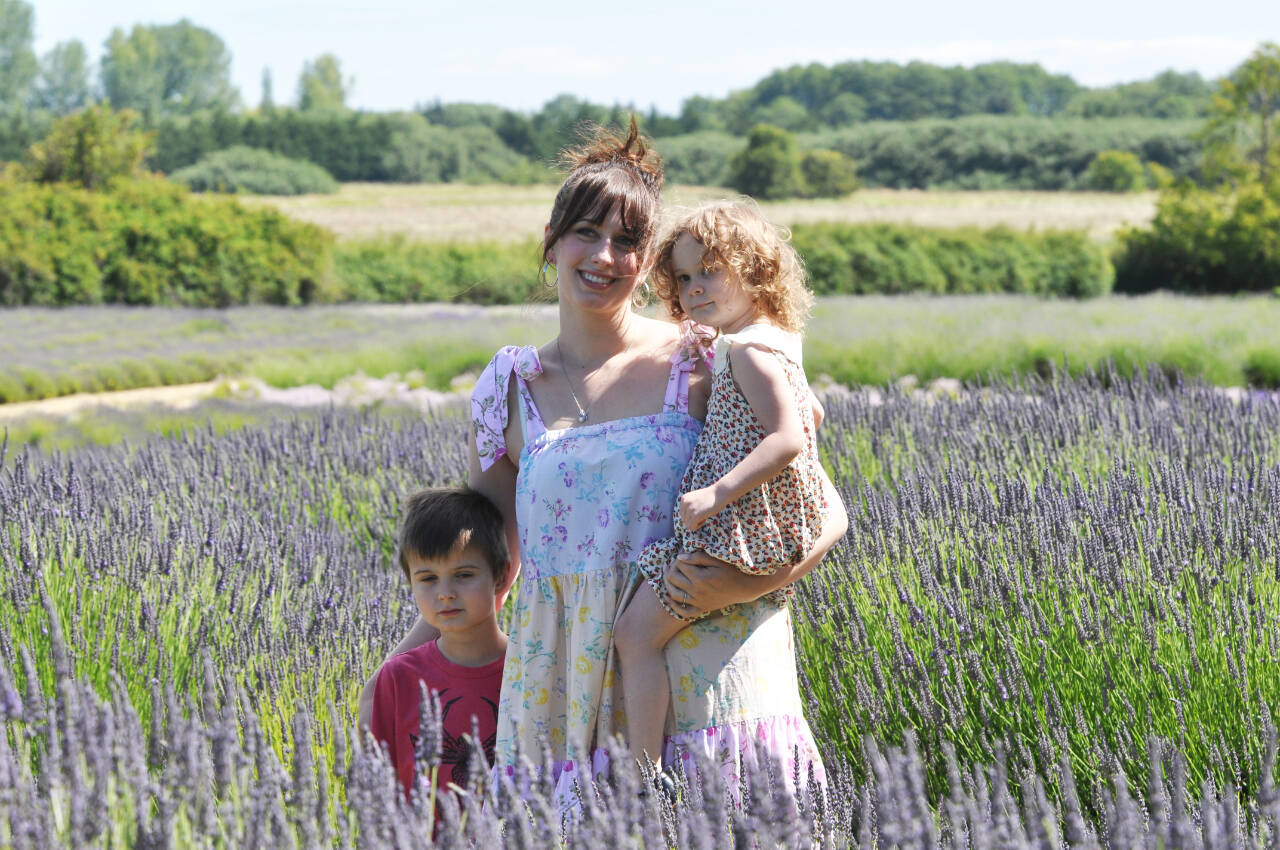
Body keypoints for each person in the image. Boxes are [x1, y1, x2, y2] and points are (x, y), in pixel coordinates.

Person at [365, 119, 848, 807]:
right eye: (586, 233)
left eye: (627, 241)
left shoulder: (708, 359)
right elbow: (484, 565)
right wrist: (400, 667)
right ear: (553, 243)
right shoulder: (509, 387)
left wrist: (731, 587)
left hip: (705, 665)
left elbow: (826, 512)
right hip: (565, 693)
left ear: (649, 260)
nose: (604, 256)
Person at [613, 201, 824, 768]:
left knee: (634, 638)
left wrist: (716, 492)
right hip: (758, 529)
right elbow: (814, 415)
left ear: (754, 269)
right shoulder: (775, 343)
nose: (694, 288)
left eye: (710, 270)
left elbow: (789, 438)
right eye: (683, 277)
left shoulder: (750, 352)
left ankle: (643, 775)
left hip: (734, 532)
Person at [369, 487, 509, 800]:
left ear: (500, 575)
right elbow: (379, 788)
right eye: (428, 578)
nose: (445, 592)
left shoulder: (529, 669)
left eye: (463, 574)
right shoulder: (397, 678)